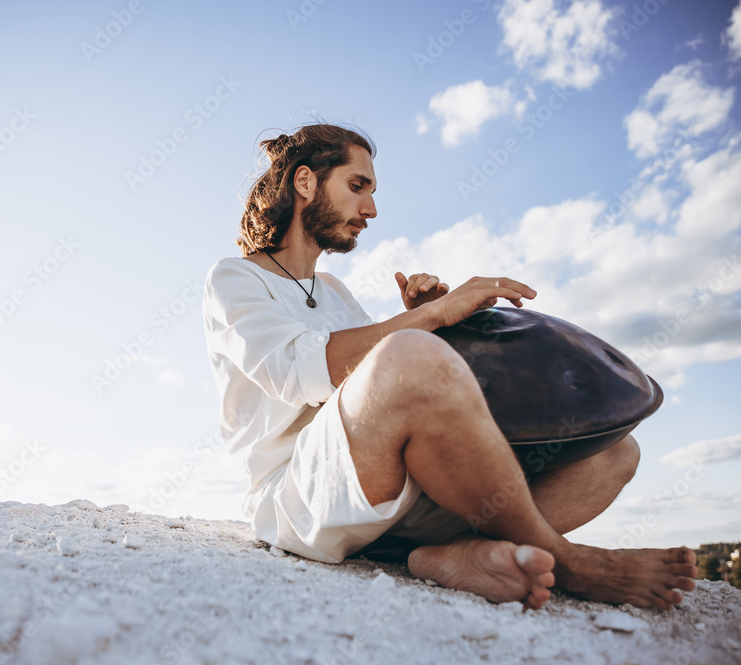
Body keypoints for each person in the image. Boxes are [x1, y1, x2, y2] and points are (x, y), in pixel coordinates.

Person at [201, 122, 698, 610]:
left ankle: (439, 553)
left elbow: (381, 389)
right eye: (358, 187)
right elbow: (298, 371)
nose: (371, 209)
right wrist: (423, 321)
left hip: (380, 495)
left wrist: (438, 328)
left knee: (615, 453)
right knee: (408, 355)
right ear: (305, 181)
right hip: (299, 496)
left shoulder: (333, 291)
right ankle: (568, 561)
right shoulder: (234, 278)